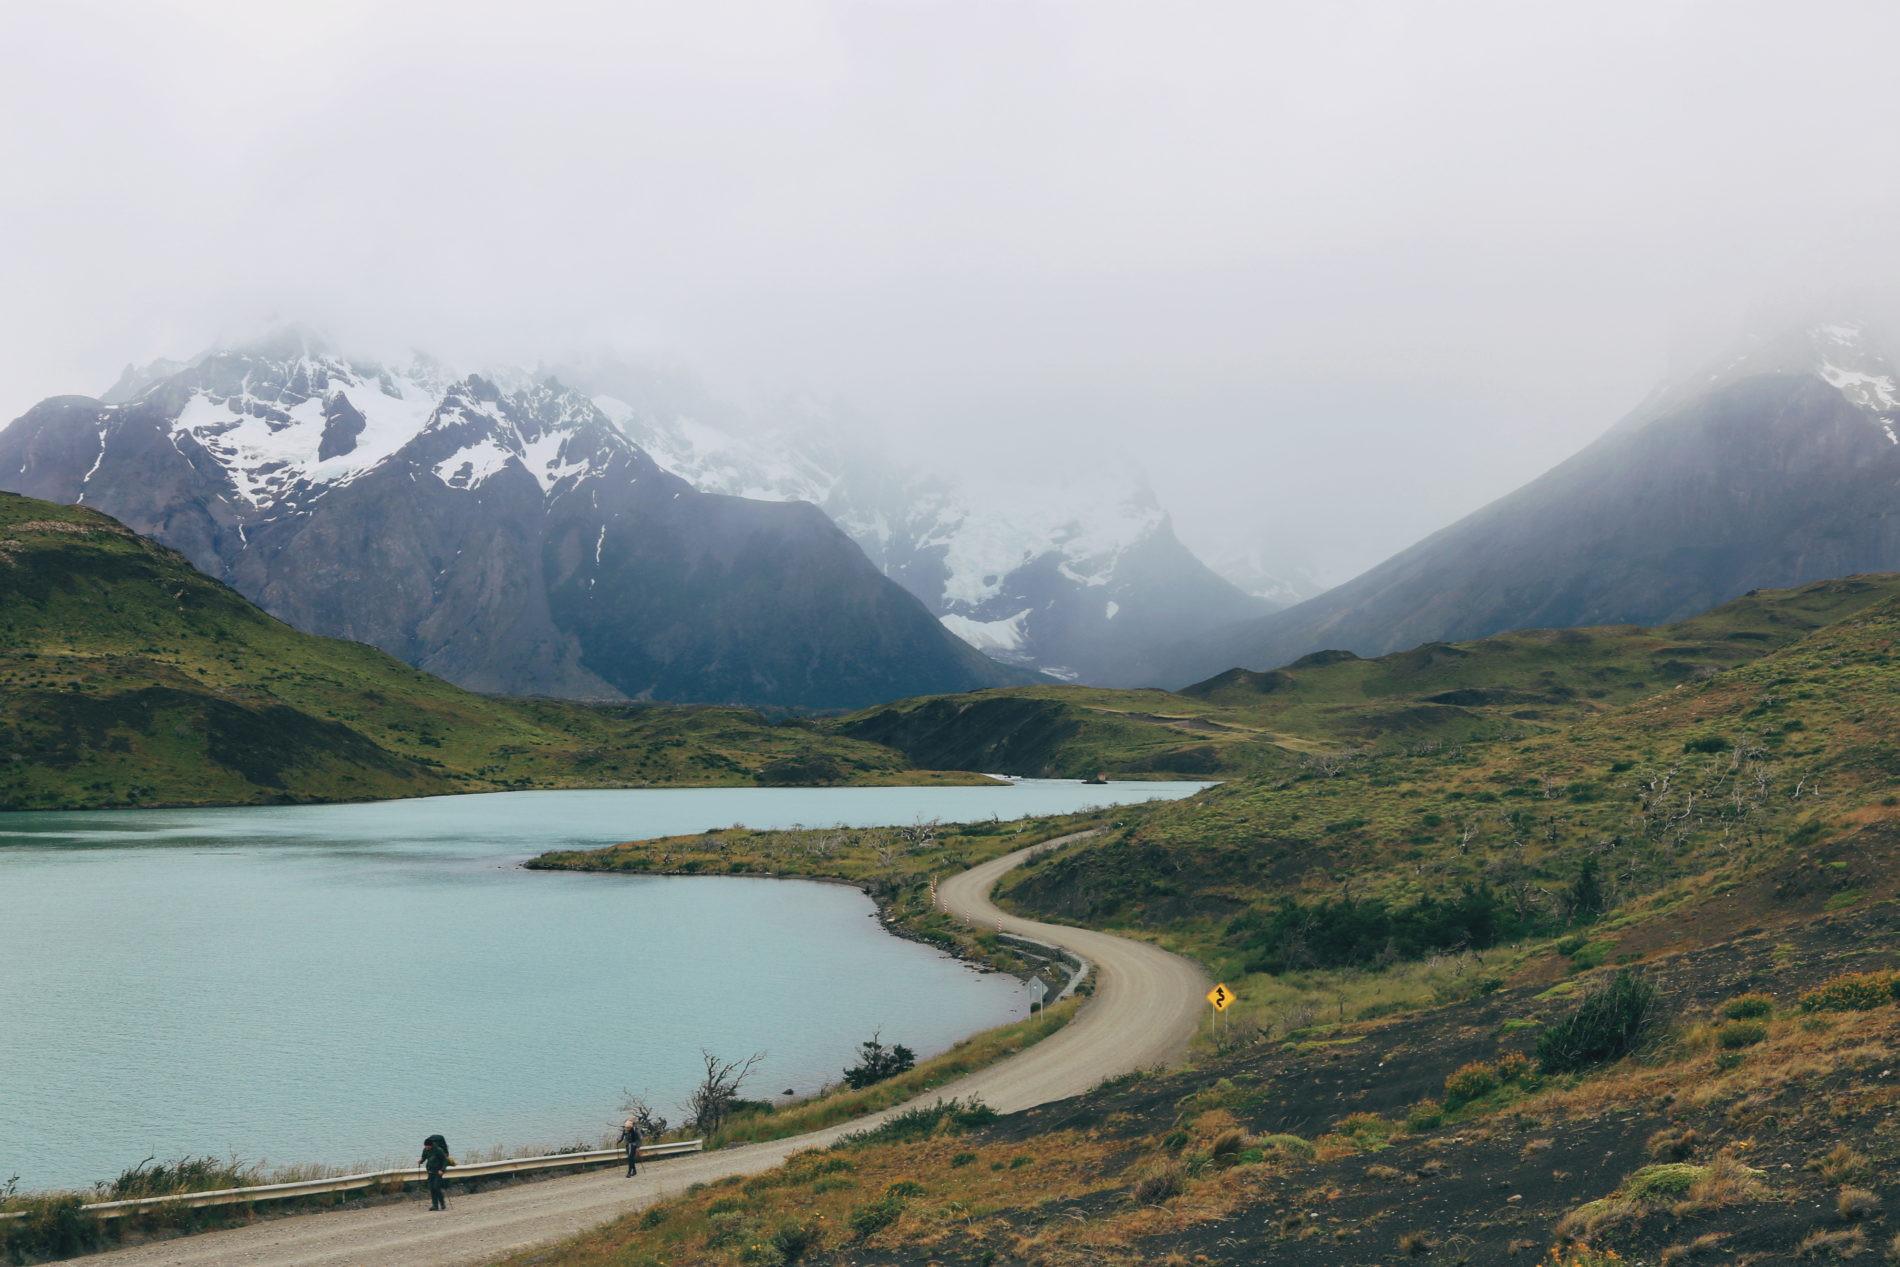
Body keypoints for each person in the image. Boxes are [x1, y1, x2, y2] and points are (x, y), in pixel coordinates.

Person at [419, 1133, 452, 1210]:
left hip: (438, 1172)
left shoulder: (438, 1150)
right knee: (431, 1188)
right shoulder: (425, 1150)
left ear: (430, 1145)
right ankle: (435, 1206)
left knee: (436, 1188)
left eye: (427, 1146)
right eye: (425, 1146)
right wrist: (421, 1161)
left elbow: (445, 1160)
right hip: (430, 1171)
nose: (426, 1147)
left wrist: (442, 1170)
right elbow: (424, 1157)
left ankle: (442, 1203)